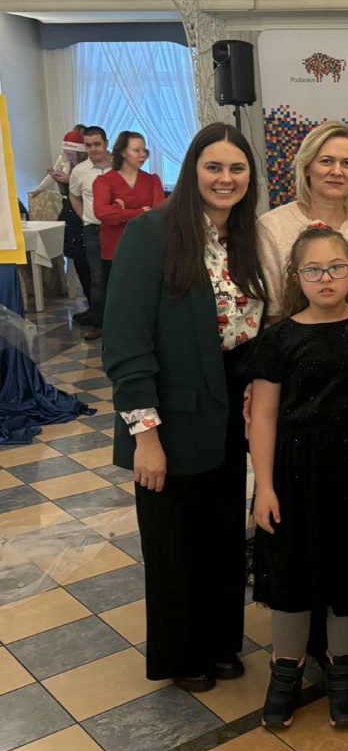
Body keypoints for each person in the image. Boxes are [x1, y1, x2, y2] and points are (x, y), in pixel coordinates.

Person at [103, 122, 265, 692]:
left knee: (221, 537)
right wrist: (145, 435)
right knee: (175, 543)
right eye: (213, 167)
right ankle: (182, 653)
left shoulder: (243, 237)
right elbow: (126, 341)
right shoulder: (153, 232)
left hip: (227, 407)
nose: (225, 178)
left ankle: (220, 642)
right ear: (192, 170)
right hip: (169, 414)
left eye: (237, 168)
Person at [250, 226, 348, 729]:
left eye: (336, 267)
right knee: (291, 571)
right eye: (313, 270)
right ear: (296, 276)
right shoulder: (279, 337)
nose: (326, 278)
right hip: (294, 473)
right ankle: (285, 670)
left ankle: (342, 668)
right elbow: (263, 415)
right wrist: (264, 487)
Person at [258, 120, 348, 319]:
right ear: (307, 167)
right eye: (326, 161)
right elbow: (271, 311)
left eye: (347, 163)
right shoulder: (272, 227)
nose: (337, 172)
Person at [27, 127, 91, 320]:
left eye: (70, 152)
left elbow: (86, 190)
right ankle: (91, 306)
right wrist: (58, 180)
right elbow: (65, 191)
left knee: (89, 264)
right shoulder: (68, 163)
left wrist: (70, 179)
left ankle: (97, 308)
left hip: (84, 215)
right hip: (70, 214)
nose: (66, 155)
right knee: (78, 261)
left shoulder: (89, 168)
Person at [93, 131, 164, 278]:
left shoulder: (152, 180)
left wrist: (118, 212)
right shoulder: (104, 181)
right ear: (123, 153)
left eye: (144, 150)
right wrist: (139, 212)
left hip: (146, 247)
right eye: (137, 150)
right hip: (114, 249)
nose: (143, 155)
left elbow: (159, 214)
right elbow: (101, 212)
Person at [68, 126, 112, 340]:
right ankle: (100, 324)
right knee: (97, 279)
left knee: (122, 276)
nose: (93, 149)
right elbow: (73, 195)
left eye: (97, 144)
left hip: (119, 230)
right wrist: (84, 216)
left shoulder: (120, 166)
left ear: (106, 143)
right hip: (93, 230)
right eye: (88, 145)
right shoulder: (80, 171)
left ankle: (125, 323)